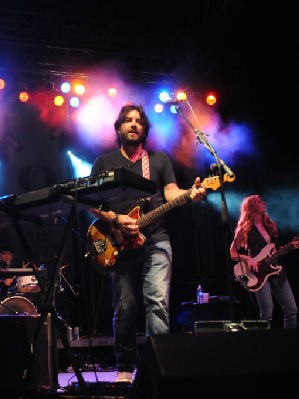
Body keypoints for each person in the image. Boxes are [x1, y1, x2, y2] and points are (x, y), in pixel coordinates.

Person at [88, 103, 207, 383]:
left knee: (157, 302)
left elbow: (171, 192)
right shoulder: (104, 163)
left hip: (157, 240)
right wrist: (117, 220)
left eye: (139, 121)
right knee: (126, 306)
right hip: (120, 244)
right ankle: (125, 368)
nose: (133, 124)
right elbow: (91, 204)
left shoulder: (158, 160)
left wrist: (191, 193)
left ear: (144, 129)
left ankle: (156, 367)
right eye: (127, 121)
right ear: (118, 128)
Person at [229, 194, 299, 329]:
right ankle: (264, 345)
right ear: (251, 207)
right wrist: (249, 259)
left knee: (291, 310)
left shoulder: (270, 225)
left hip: (277, 270)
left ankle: (289, 342)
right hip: (258, 273)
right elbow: (232, 252)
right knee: (267, 313)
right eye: (259, 201)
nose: (263, 203)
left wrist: (290, 247)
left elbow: (275, 250)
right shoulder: (245, 229)